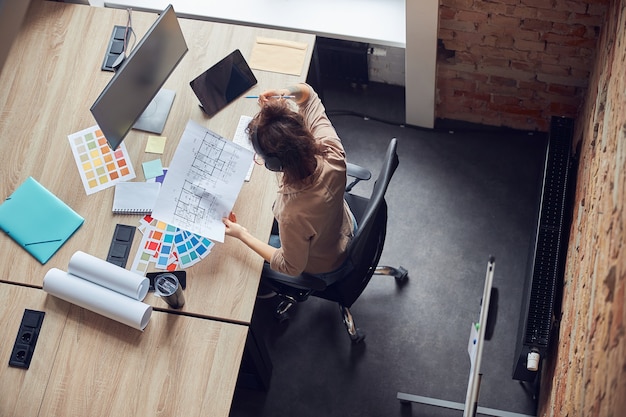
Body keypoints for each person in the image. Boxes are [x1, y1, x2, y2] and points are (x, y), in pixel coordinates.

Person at [222, 83, 356, 284]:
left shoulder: (292, 212)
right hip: (343, 227)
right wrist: (285, 94)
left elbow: (291, 267)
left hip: (325, 264)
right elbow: (308, 95)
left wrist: (243, 235)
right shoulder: (332, 151)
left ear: (274, 164)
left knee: (248, 243)